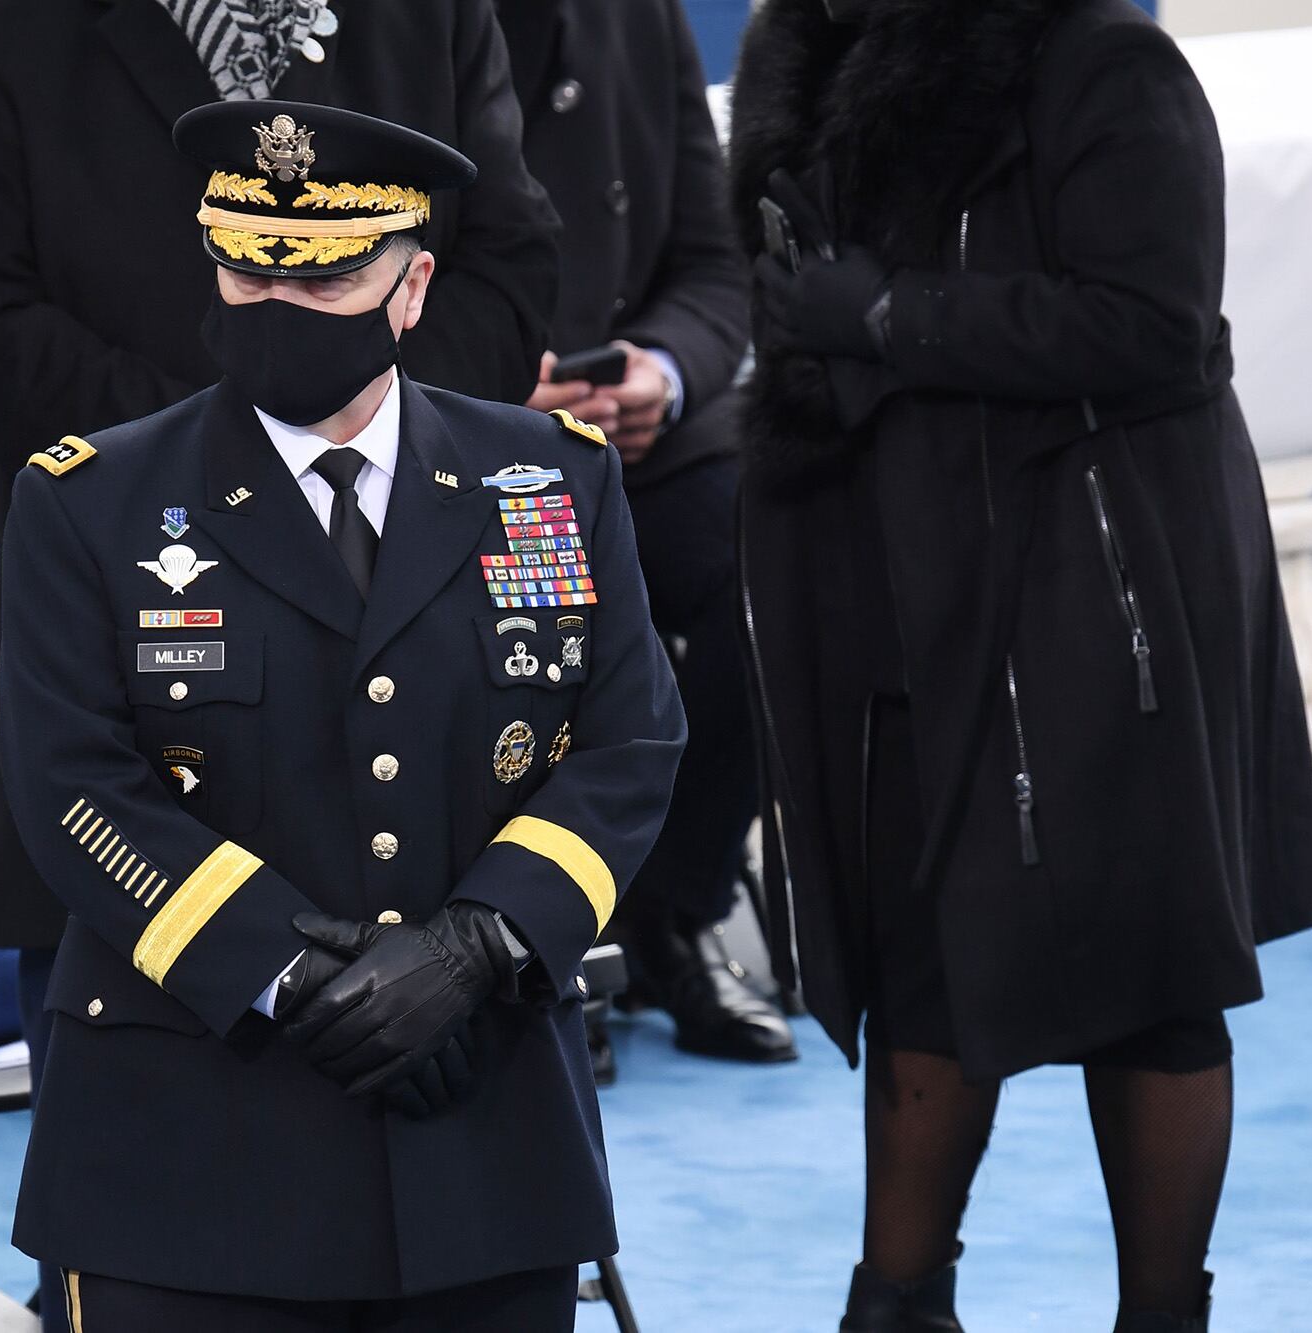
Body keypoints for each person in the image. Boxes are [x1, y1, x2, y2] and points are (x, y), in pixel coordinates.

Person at [0, 100, 683, 1330]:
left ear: (411, 286)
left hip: (478, 1128)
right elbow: (71, 786)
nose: (275, 308)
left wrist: (479, 944)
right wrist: (283, 968)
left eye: (321, 278)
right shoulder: (89, 505)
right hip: (197, 1137)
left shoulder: (549, 480)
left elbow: (626, 742)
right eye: (246, 273)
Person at [0, 9, 556, 1323]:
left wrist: (358, 429)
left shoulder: (426, 12)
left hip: (426, 747)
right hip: (147, 699)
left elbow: (511, 264)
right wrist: (236, 461)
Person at [729, 0, 1312, 1329]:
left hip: (1098, 590)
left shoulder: (1103, 61)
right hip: (894, 576)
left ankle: (1162, 1312)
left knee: (1149, 978)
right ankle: (896, 1302)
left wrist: (891, 316)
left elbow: (1155, 325)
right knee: (918, 952)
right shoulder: (804, 61)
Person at [496, 0, 793, 1067]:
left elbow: (716, 264)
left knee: (779, 572)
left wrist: (655, 373)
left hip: (636, 434)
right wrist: (490, 392)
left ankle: (668, 909)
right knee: (522, 627)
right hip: (463, 435)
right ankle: (531, 941)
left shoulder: (637, 11)